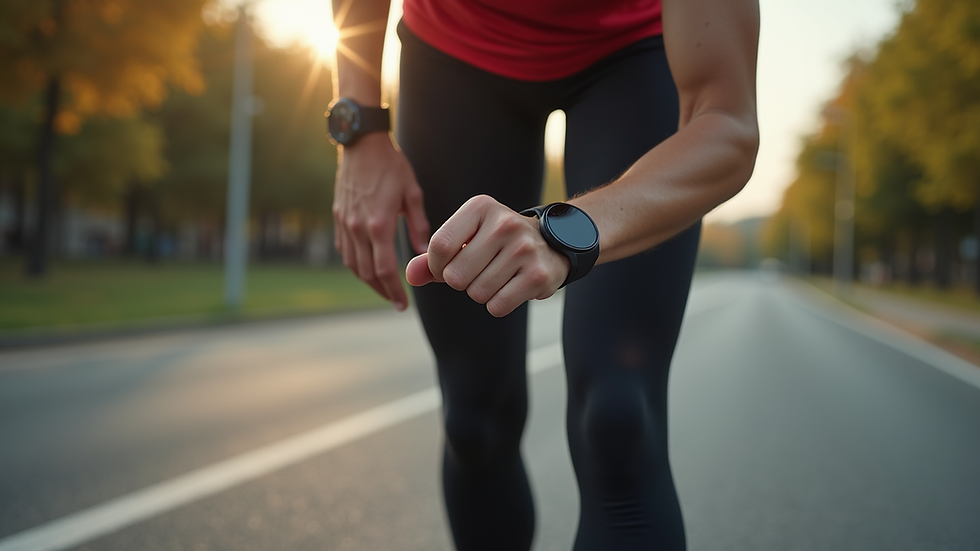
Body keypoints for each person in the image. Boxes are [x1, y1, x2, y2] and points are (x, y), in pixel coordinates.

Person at [327, 0, 759, 549]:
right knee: (473, 420)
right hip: (456, 48)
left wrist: (564, 232)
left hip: (638, 50)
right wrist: (359, 129)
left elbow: (727, 125)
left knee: (619, 420)